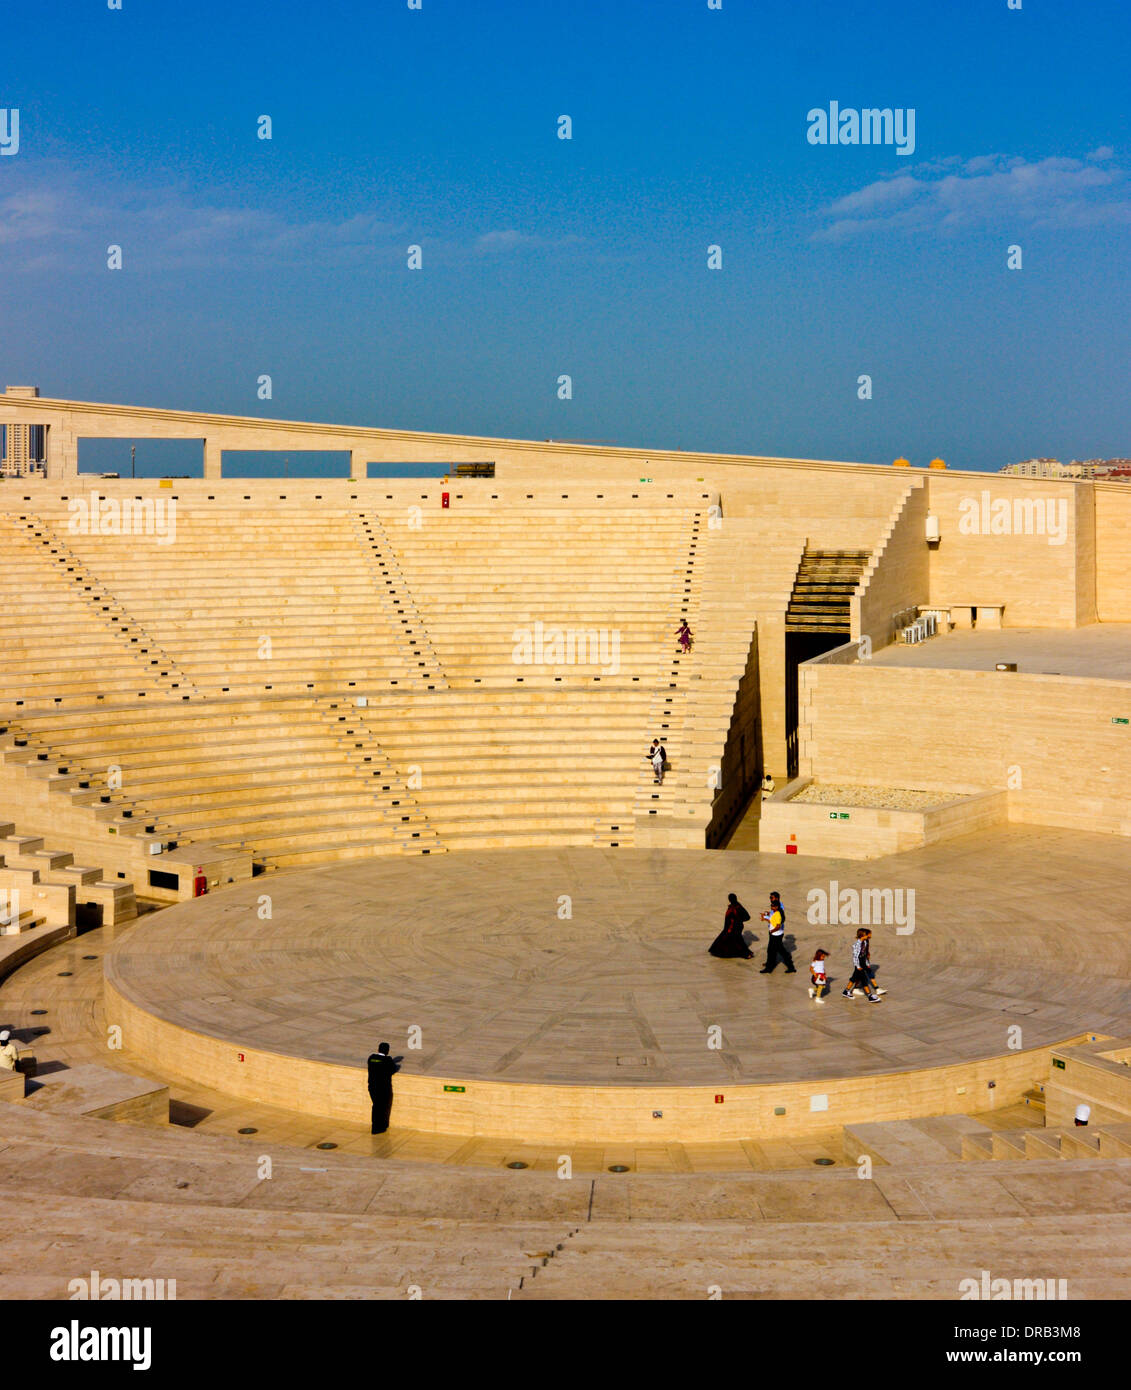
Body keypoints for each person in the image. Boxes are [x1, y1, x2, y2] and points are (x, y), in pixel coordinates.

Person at [367, 1042, 401, 1135]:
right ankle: (378, 1127)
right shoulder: (387, 1060)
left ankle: (376, 1126)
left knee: (376, 1106)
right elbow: (393, 1069)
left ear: (378, 1049)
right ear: (387, 1051)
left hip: (372, 1087)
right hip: (383, 1088)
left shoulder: (371, 1058)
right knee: (381, 1107)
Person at [708, 893, 753, 959]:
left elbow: (747, 917)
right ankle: (744, 953)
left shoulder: (738, 907)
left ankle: (746, 954)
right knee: (732, 939)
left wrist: (738, 921)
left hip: (734, 928)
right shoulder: (734, 906)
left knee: (737, 940)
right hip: (730, 927)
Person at [759, 891, 795, 974]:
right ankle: (770, 964)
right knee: (773, 950)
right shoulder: (775, 907)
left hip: (776, 933)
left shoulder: (779, 908)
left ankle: (770, 967)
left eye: (771, 898)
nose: (770, 899)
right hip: (774, 933)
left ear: (777, 898)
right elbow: (773, 917)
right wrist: (767, 914)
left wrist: (772, 930)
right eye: (770, 898)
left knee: (776, 950)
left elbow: (777, 921)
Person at [843, 929, 881, 1002]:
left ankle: (846, 991)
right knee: (864, 980)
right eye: (867, 935)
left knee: (854, 978)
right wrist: (858, 966)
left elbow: (864, 955)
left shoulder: (865, 942)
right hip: (859, 963)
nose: (868, 936)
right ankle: (870, 996)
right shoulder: (858, 944)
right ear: (863, 935)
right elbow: (855, 956)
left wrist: (867, 963)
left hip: (863, 962)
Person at [850, 928, 886, 996]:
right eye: (870, 934)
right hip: (860, 961)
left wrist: (867, 959)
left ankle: (855, 989)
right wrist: (858, 965)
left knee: (859, 976)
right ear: (864, 935)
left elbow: (866, 950)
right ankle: (876, 989)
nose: (871, 935)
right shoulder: (859, 943)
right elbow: (856, 955)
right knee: (866, 974)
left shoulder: (866, 941)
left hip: (864, 960)